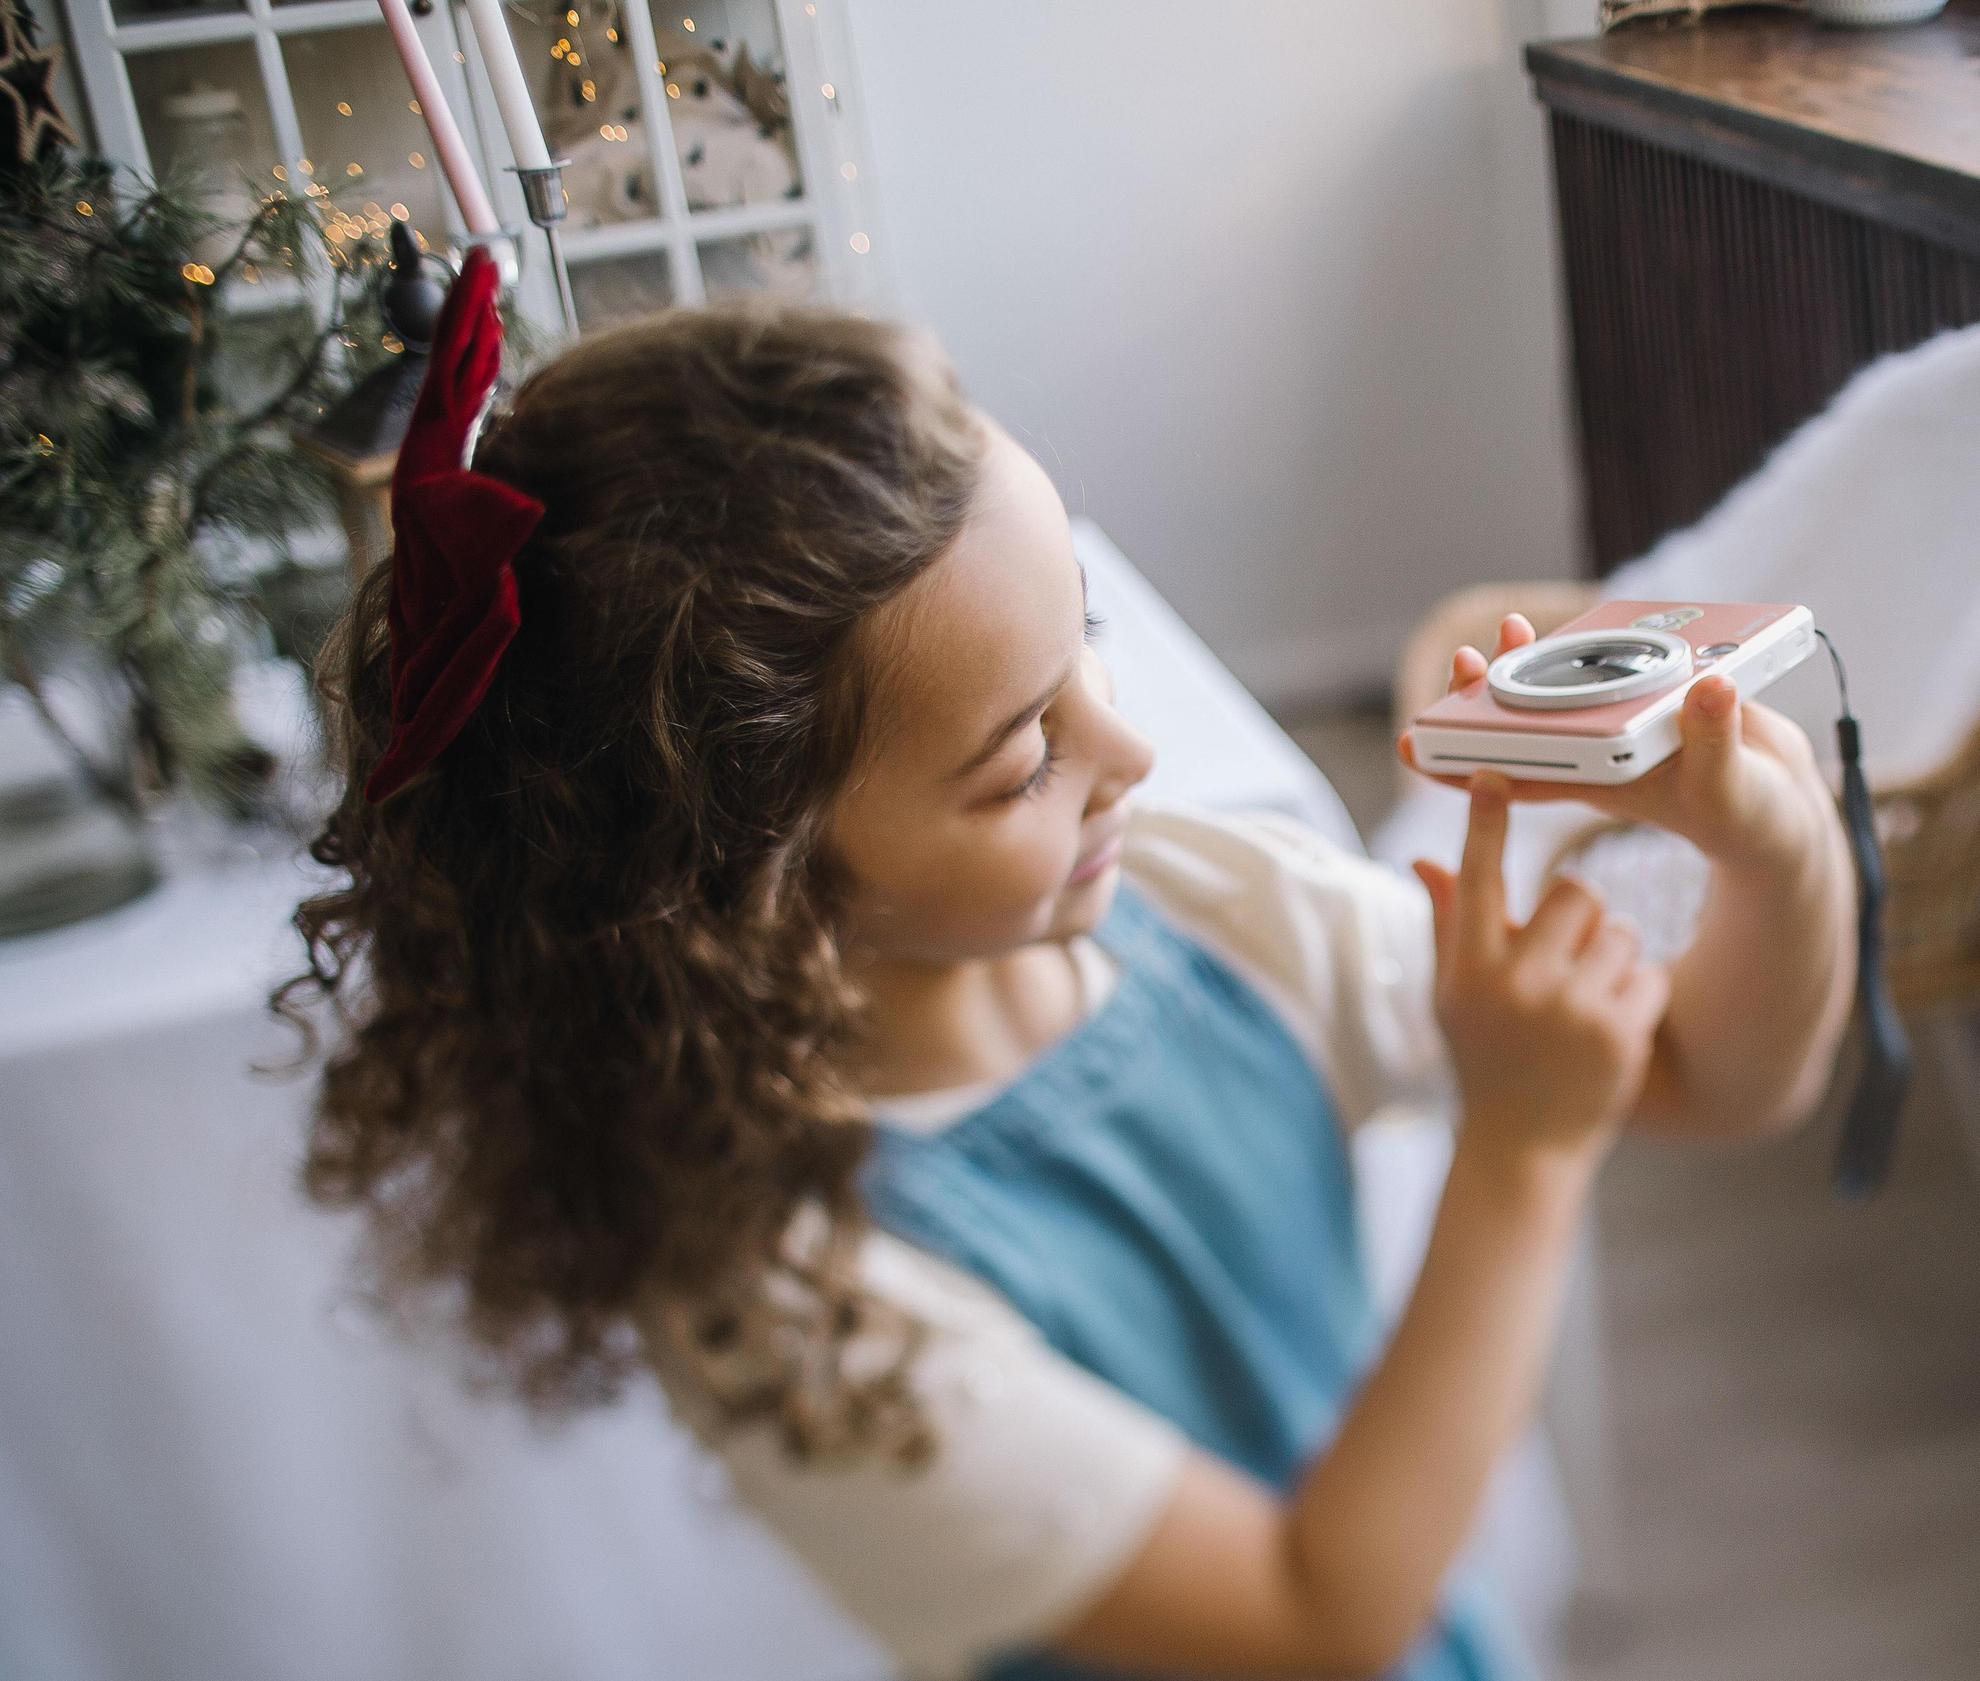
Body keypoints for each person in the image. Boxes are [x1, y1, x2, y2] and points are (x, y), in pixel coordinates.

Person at [285, 259, 1854, 1681]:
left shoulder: (1214, 910)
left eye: (1083, 641)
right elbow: (1315, 1618)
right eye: (1023, 755)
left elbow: (1714, 1080)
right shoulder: (794, 1301)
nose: (1133, 751)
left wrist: (1777, 855)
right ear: (756, 887)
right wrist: (1521, 1149)